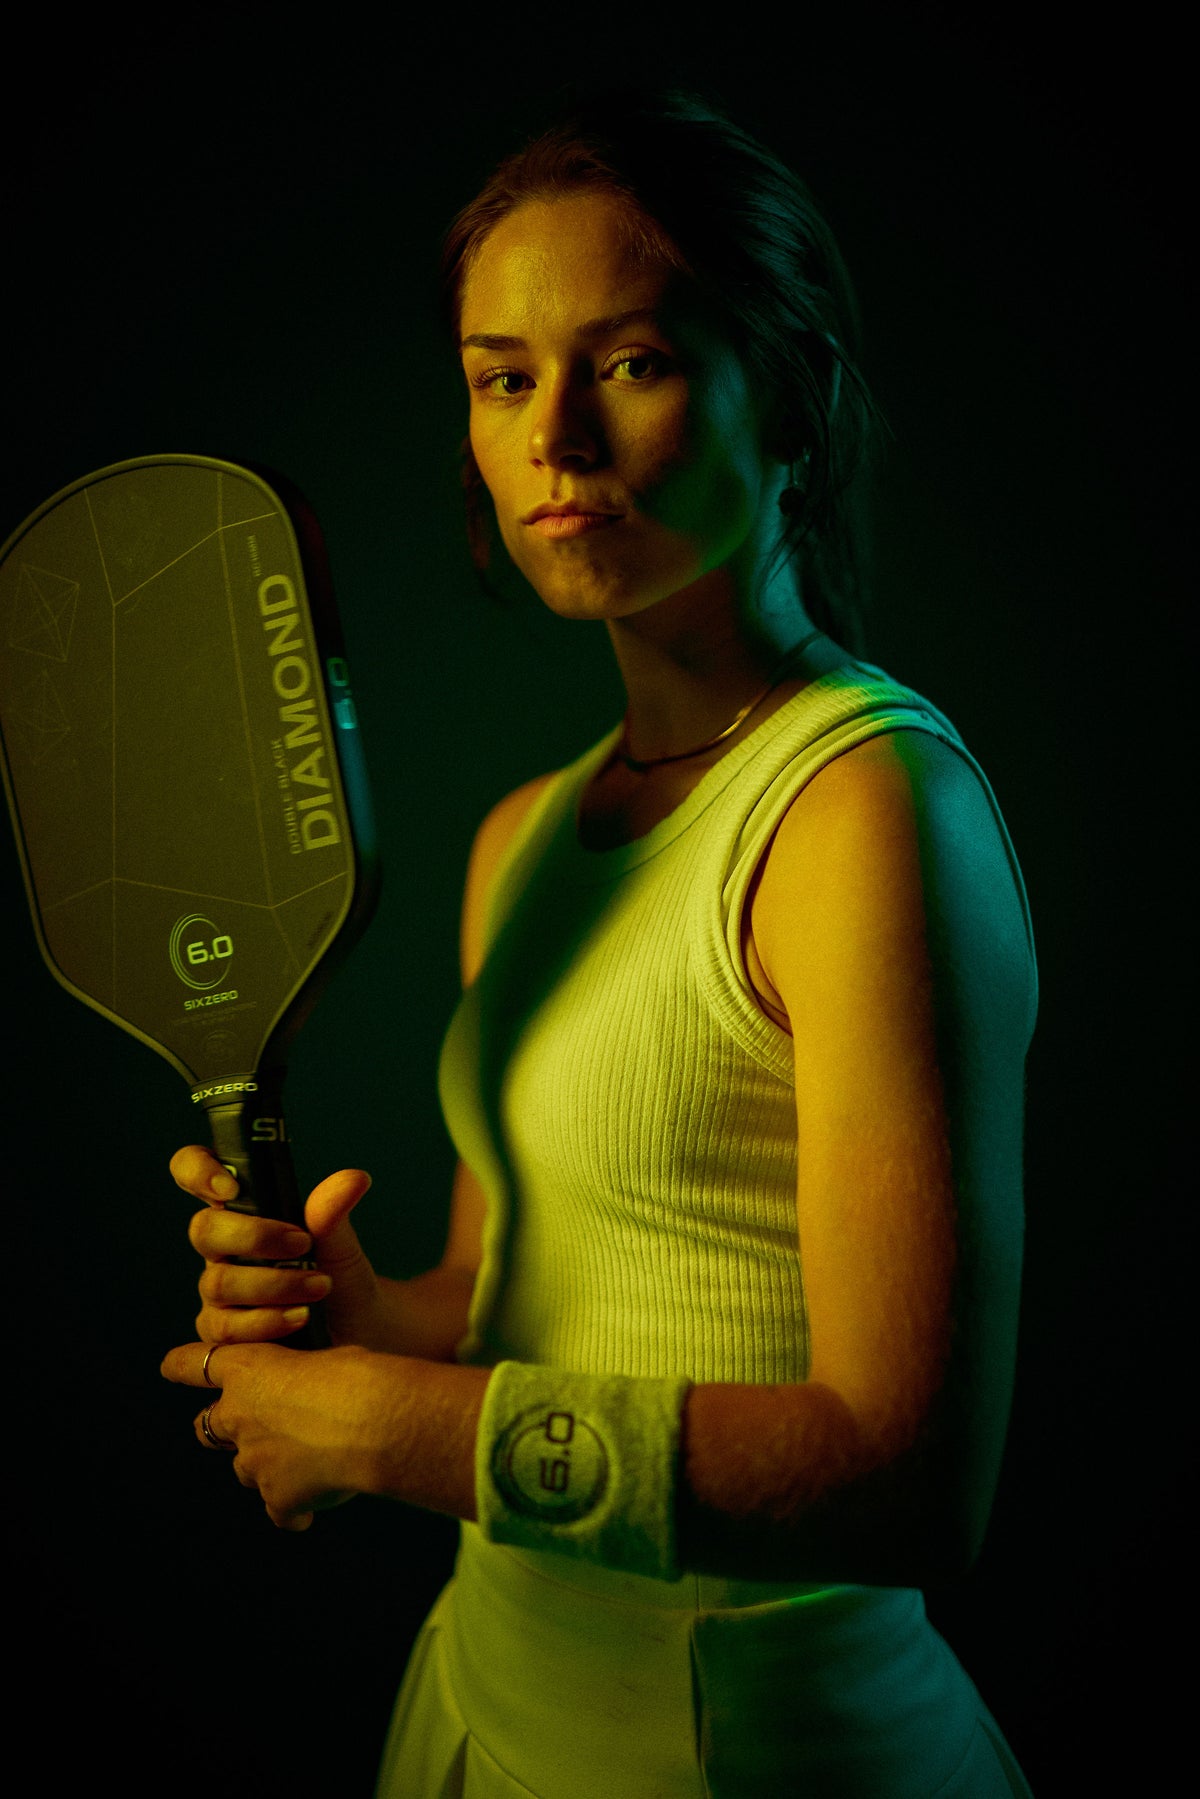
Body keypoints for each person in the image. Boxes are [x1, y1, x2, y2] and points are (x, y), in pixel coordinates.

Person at [162, 87, 1038, 1797]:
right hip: (484, 1699)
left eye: (629, 362)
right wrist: (367, 1321)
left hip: (754, 1749)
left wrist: (390, 1430)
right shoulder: (525, 836)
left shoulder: (865, 808)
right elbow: (510, 1297)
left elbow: (911, 1478)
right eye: (502, 378)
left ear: (790, 403)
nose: (555, 436)